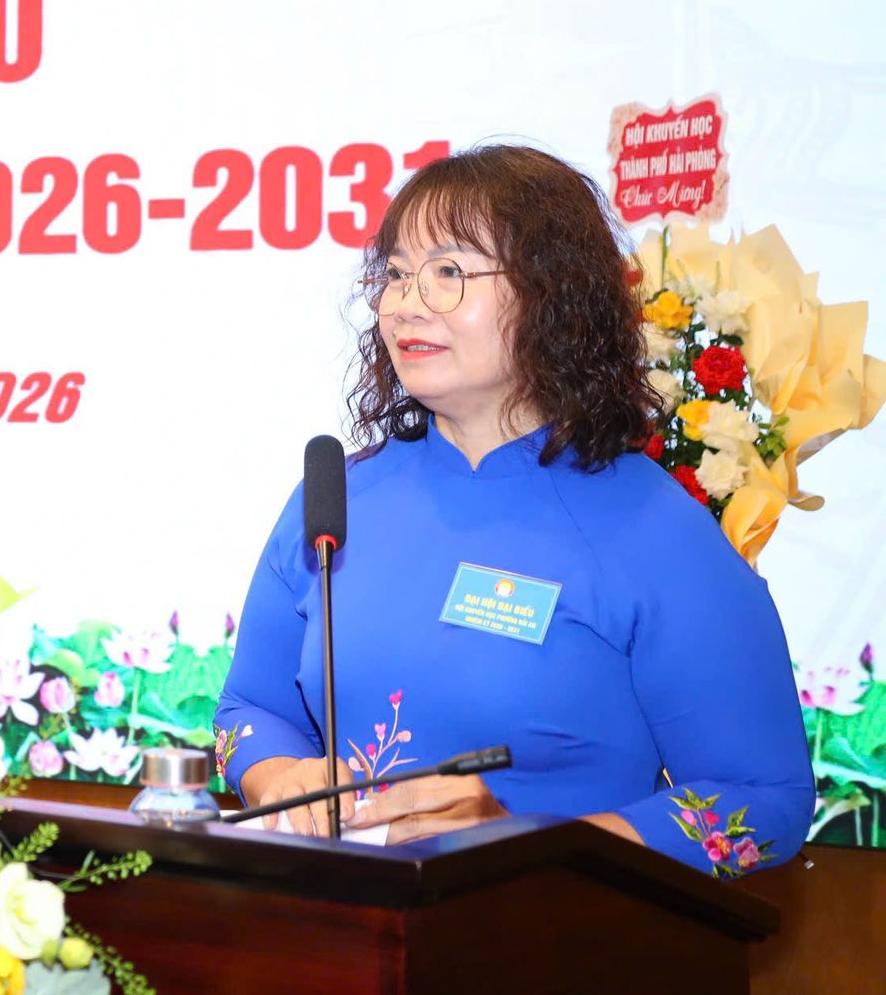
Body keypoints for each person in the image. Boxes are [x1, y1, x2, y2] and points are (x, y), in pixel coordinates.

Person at [213, 144, 814, 878]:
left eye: (449, 273)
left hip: (547, 931)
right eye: (396, 274)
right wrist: (278, 776)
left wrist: (530, 848)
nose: (406, 304)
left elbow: (767, 804)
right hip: (336, 921)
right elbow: (248, 708)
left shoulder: (656, 529)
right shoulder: (337, 498)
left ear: (550, 295)